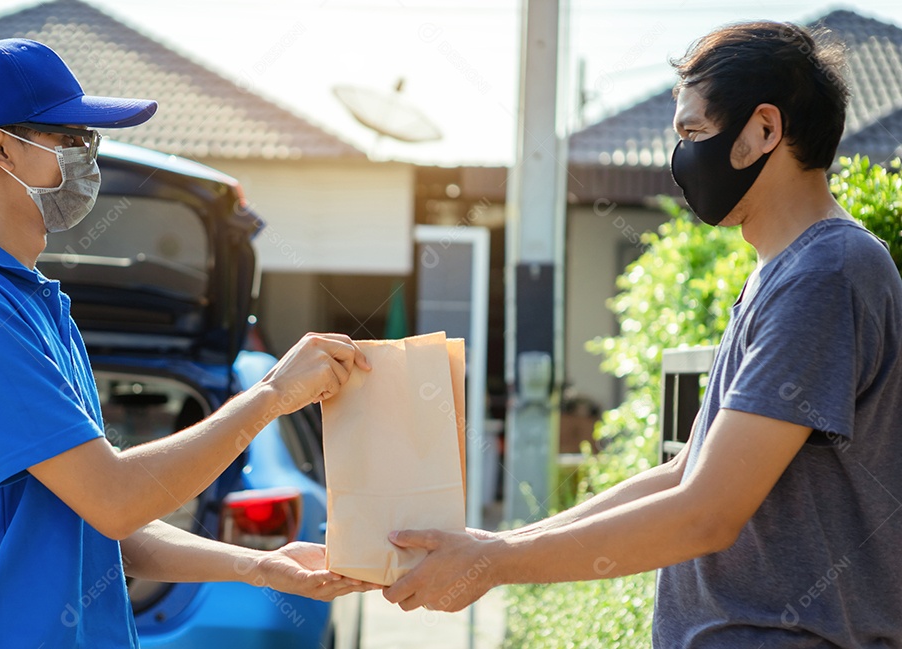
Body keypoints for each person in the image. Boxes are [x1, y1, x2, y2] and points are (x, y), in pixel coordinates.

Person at [384, 21, 902, 647]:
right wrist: (495, 547)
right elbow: (687, 473)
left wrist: (493, 564)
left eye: (692, 133)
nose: (680, 156)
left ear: (764, 130)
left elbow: (705, 515)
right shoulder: (783, 271)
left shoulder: (825, 274)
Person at [0, 38, 373, 648]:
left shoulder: (32, 303)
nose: (87, 157)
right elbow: (116, 499)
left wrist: (256, 565)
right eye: (70, 138)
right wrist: (272, 394)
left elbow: (99, 521)